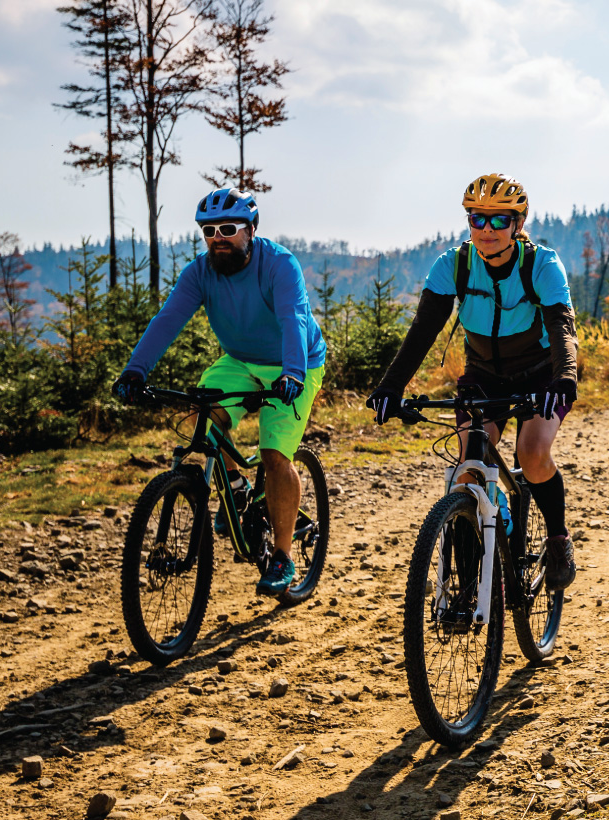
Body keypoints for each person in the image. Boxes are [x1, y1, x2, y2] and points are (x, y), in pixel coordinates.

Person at [367, 173, 579, 591]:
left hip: (541, 376)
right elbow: (422, 331)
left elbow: (561, 326)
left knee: (532, 453)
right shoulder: (454, 265)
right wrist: (391, 386)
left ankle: (558, 541)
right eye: (476, 219)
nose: (487, 231)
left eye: (499, 221)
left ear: (518, 224)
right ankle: (472, 586)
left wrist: (565, 377)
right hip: (483, 378)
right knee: (468, 468)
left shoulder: (541, 263)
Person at [113, 187, 327, 596]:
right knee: (197, 414)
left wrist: (294, 373)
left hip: (293, 363)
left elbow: (293, 319)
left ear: (250, 229)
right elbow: (168, 319)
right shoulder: (200, 272)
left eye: (228, 228)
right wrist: (135, 371)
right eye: (209, 230)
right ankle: (241, 488)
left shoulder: (280, 264)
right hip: (240, 361)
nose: (218, 238)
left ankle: (283, 558)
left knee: (274, 454)